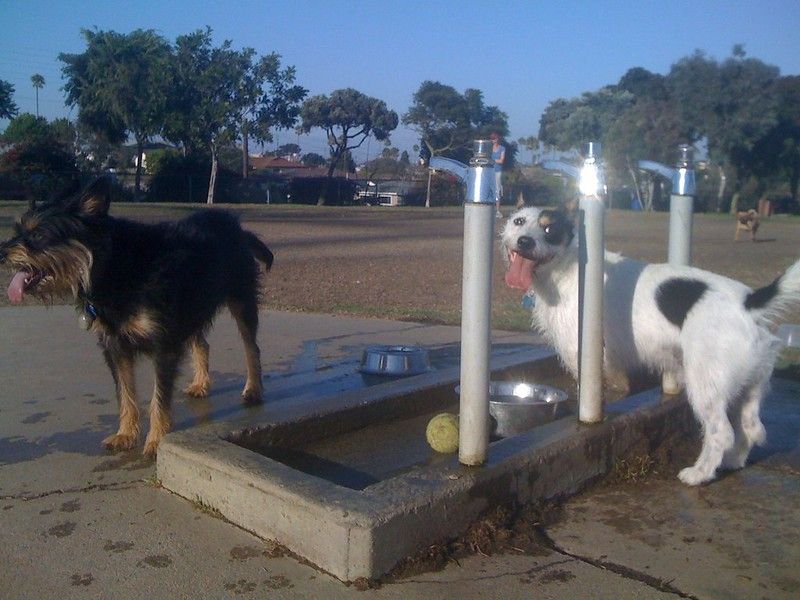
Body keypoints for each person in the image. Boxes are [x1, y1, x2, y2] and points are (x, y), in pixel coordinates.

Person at [490, 132, 506, 218]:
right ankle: (490, 209)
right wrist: (495, 160)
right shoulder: (489, 148)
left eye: (495, 139)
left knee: (497, 190)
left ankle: (497, 211)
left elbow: (501, 161)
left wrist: (493, 160)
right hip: (489, 171)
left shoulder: (502, 148)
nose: (494, 140)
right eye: (492, 139)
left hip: (497, 171)